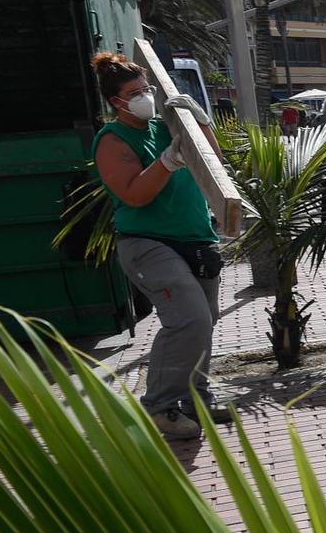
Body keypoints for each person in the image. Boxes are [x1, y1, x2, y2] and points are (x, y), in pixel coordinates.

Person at [90, 51, 231, 442]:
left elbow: (214, 162)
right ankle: (159, 407)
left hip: (197, 239)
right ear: (116, 101)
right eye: (135, 92)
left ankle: (196, 399)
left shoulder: (164, 125)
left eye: (146, 88)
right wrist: (167, 162)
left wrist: (201, 123)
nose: (145, 96)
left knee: (203, 322)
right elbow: (134, 195)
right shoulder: (112, 140)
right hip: (148, 244)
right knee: (188, 319)